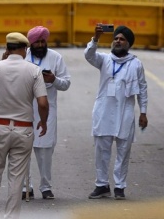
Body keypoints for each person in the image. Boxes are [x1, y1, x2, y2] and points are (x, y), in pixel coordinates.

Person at [0, 32, 49, 219]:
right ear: (25, 49)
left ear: (7, 48)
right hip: (23, 129)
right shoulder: (34, 70)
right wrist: (43, 122)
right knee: (16, 179)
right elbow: (43, 103)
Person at [85, 24, 148, 200]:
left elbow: (142, 89)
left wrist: (143, 112)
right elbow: (89, 56)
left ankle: (119, 186)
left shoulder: (136, 64)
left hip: (125, 113)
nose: (118, 41)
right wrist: (95, 39)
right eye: (116, 38)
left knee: (123, 151)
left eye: (122, 39)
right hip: (104, 111)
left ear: (129, 44)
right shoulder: (104, 59)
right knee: (101, 151)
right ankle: (102, 185)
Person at [22, 26, 71, 200]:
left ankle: (46, 187)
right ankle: (26, 187)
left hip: (47, 110)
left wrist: (54, 80)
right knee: (23, 150)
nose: (41, 44)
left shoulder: (56, 57)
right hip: (25, 109)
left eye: (43, 41)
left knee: (45, 151)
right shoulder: (23, 56)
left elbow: (66, 83)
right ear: (31, 43)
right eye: (37, 42)